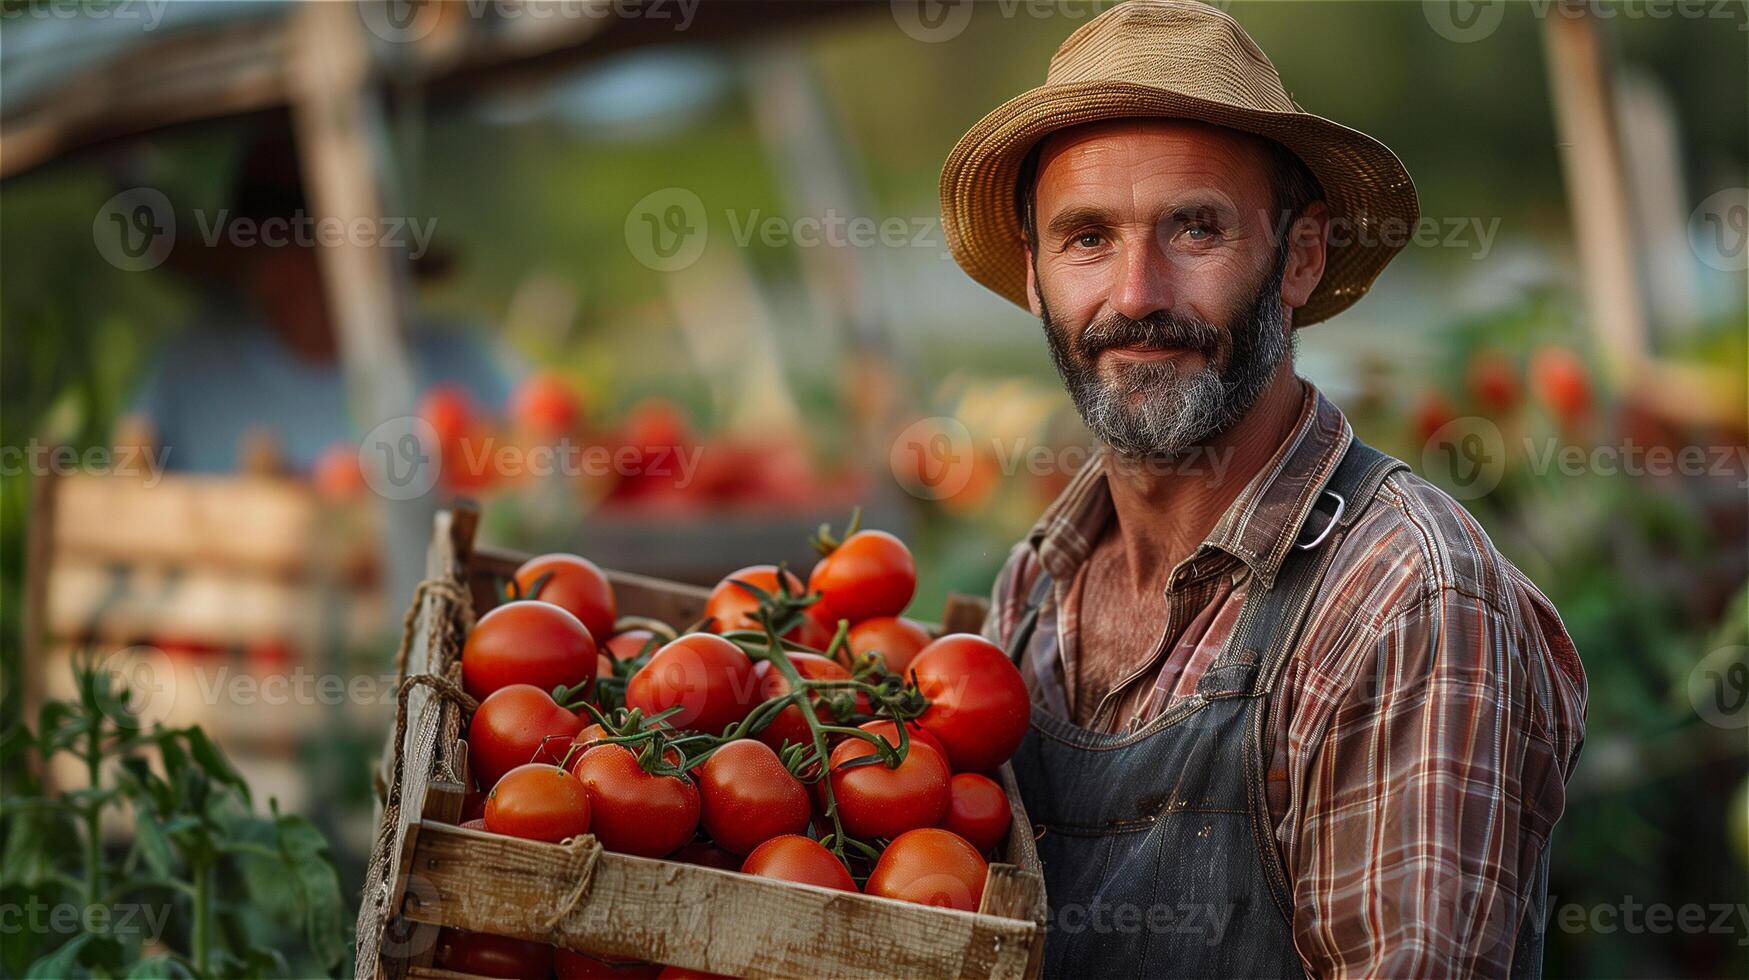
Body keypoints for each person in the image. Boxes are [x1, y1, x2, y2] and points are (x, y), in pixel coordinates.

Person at [939, 2, 1587, 976]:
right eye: (1087, 238)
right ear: (1034, 275)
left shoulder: (1403, 600)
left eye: (1194, 227)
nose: (1136, 294)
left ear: (1303, 253)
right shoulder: (1038, 589)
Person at [125, 126, 515, 475]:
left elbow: (546, 462)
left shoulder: (456, 359)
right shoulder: (191, 365)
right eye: (274, 254)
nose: (285, 277)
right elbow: (129, 492)